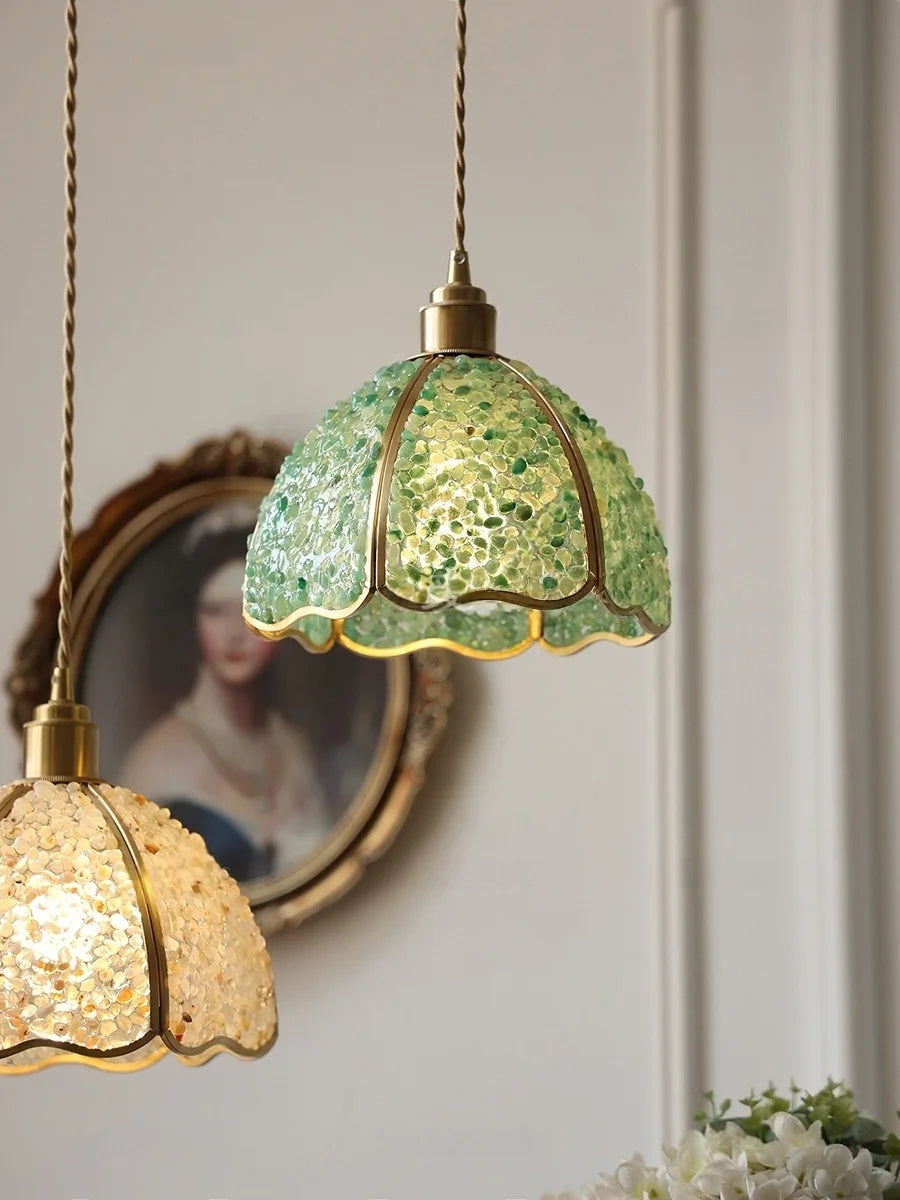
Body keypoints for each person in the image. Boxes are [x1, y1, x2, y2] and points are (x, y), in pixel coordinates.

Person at [122, 502, 331, 883]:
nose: (234, 634)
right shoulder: (156, 760)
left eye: (250, 611)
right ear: (193, 620)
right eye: (215, 611)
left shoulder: (293, 749)